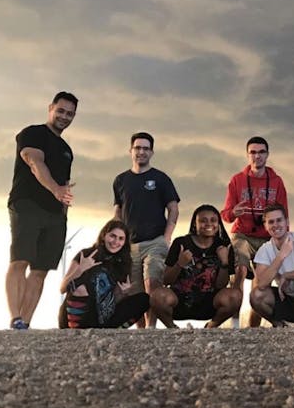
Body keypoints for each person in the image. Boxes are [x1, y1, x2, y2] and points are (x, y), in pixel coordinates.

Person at [5, 91, 78, 330]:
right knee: (20, 260)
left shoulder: (67, 150)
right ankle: (15, 316)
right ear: (50, 109)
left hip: (55, 215)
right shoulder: (32, 134)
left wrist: (63, 205)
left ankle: (24, 324)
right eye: (61, 111)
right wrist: (55, 189)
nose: (64, 116)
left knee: (40, 270)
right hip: (27, 205)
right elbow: (35, 162)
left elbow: (64, 184)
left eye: (70, 114)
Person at [112, 132, 180, 324]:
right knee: (135, 291)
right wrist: (117, 237)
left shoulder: (161, 178)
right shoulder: (120, 180)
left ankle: (152, 327)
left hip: (155, 241)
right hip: (130, 244)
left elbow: (173, 208)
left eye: (145, 149)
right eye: (137, 148)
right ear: (130, 151)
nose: (141, 152)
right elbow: (118, 210)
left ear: (151, 152)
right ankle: (141, 331)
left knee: (152, 282)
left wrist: (167, 237)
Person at [221, 136, 289, 327]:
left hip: (267, 237)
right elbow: (226, 215)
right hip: (242, 234)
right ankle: (235, 324)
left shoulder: (276, 181)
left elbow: (284, 214)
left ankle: (253, 328)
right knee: (239, 271)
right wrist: (234, 212)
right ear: (247, 155)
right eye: (253, 152)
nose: (256, 156)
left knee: (261, 282)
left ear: (267, 155)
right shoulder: (237, 180)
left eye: (261, 152)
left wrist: (284, 240)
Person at [57, 220, 165, 328]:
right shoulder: (86, 254)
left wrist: (122, 293)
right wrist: (80, 270)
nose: (116, 241)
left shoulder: (123, 262)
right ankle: (76, 330)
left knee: (143, 299)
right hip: (78, 314)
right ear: (104, 236)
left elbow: (113, 301)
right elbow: (62, 288)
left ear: (125, 242)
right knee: (81, 286)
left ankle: (110, 331)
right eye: (112, 236)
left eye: (121, 238)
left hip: (102, 314)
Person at [150, 205, 243, 328]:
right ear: (195, 223)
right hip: (180, 300)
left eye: (213, 220)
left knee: (234, 296)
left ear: (218, 224)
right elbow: (166, 280)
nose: (208, 224)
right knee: (157, 296)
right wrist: (180, 263)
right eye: (203, 220)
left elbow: (221, 285)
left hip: (210, 302)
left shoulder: (224, 245)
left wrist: (224, 262)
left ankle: (212, 326)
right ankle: (172, 329)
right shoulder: (181, 243)